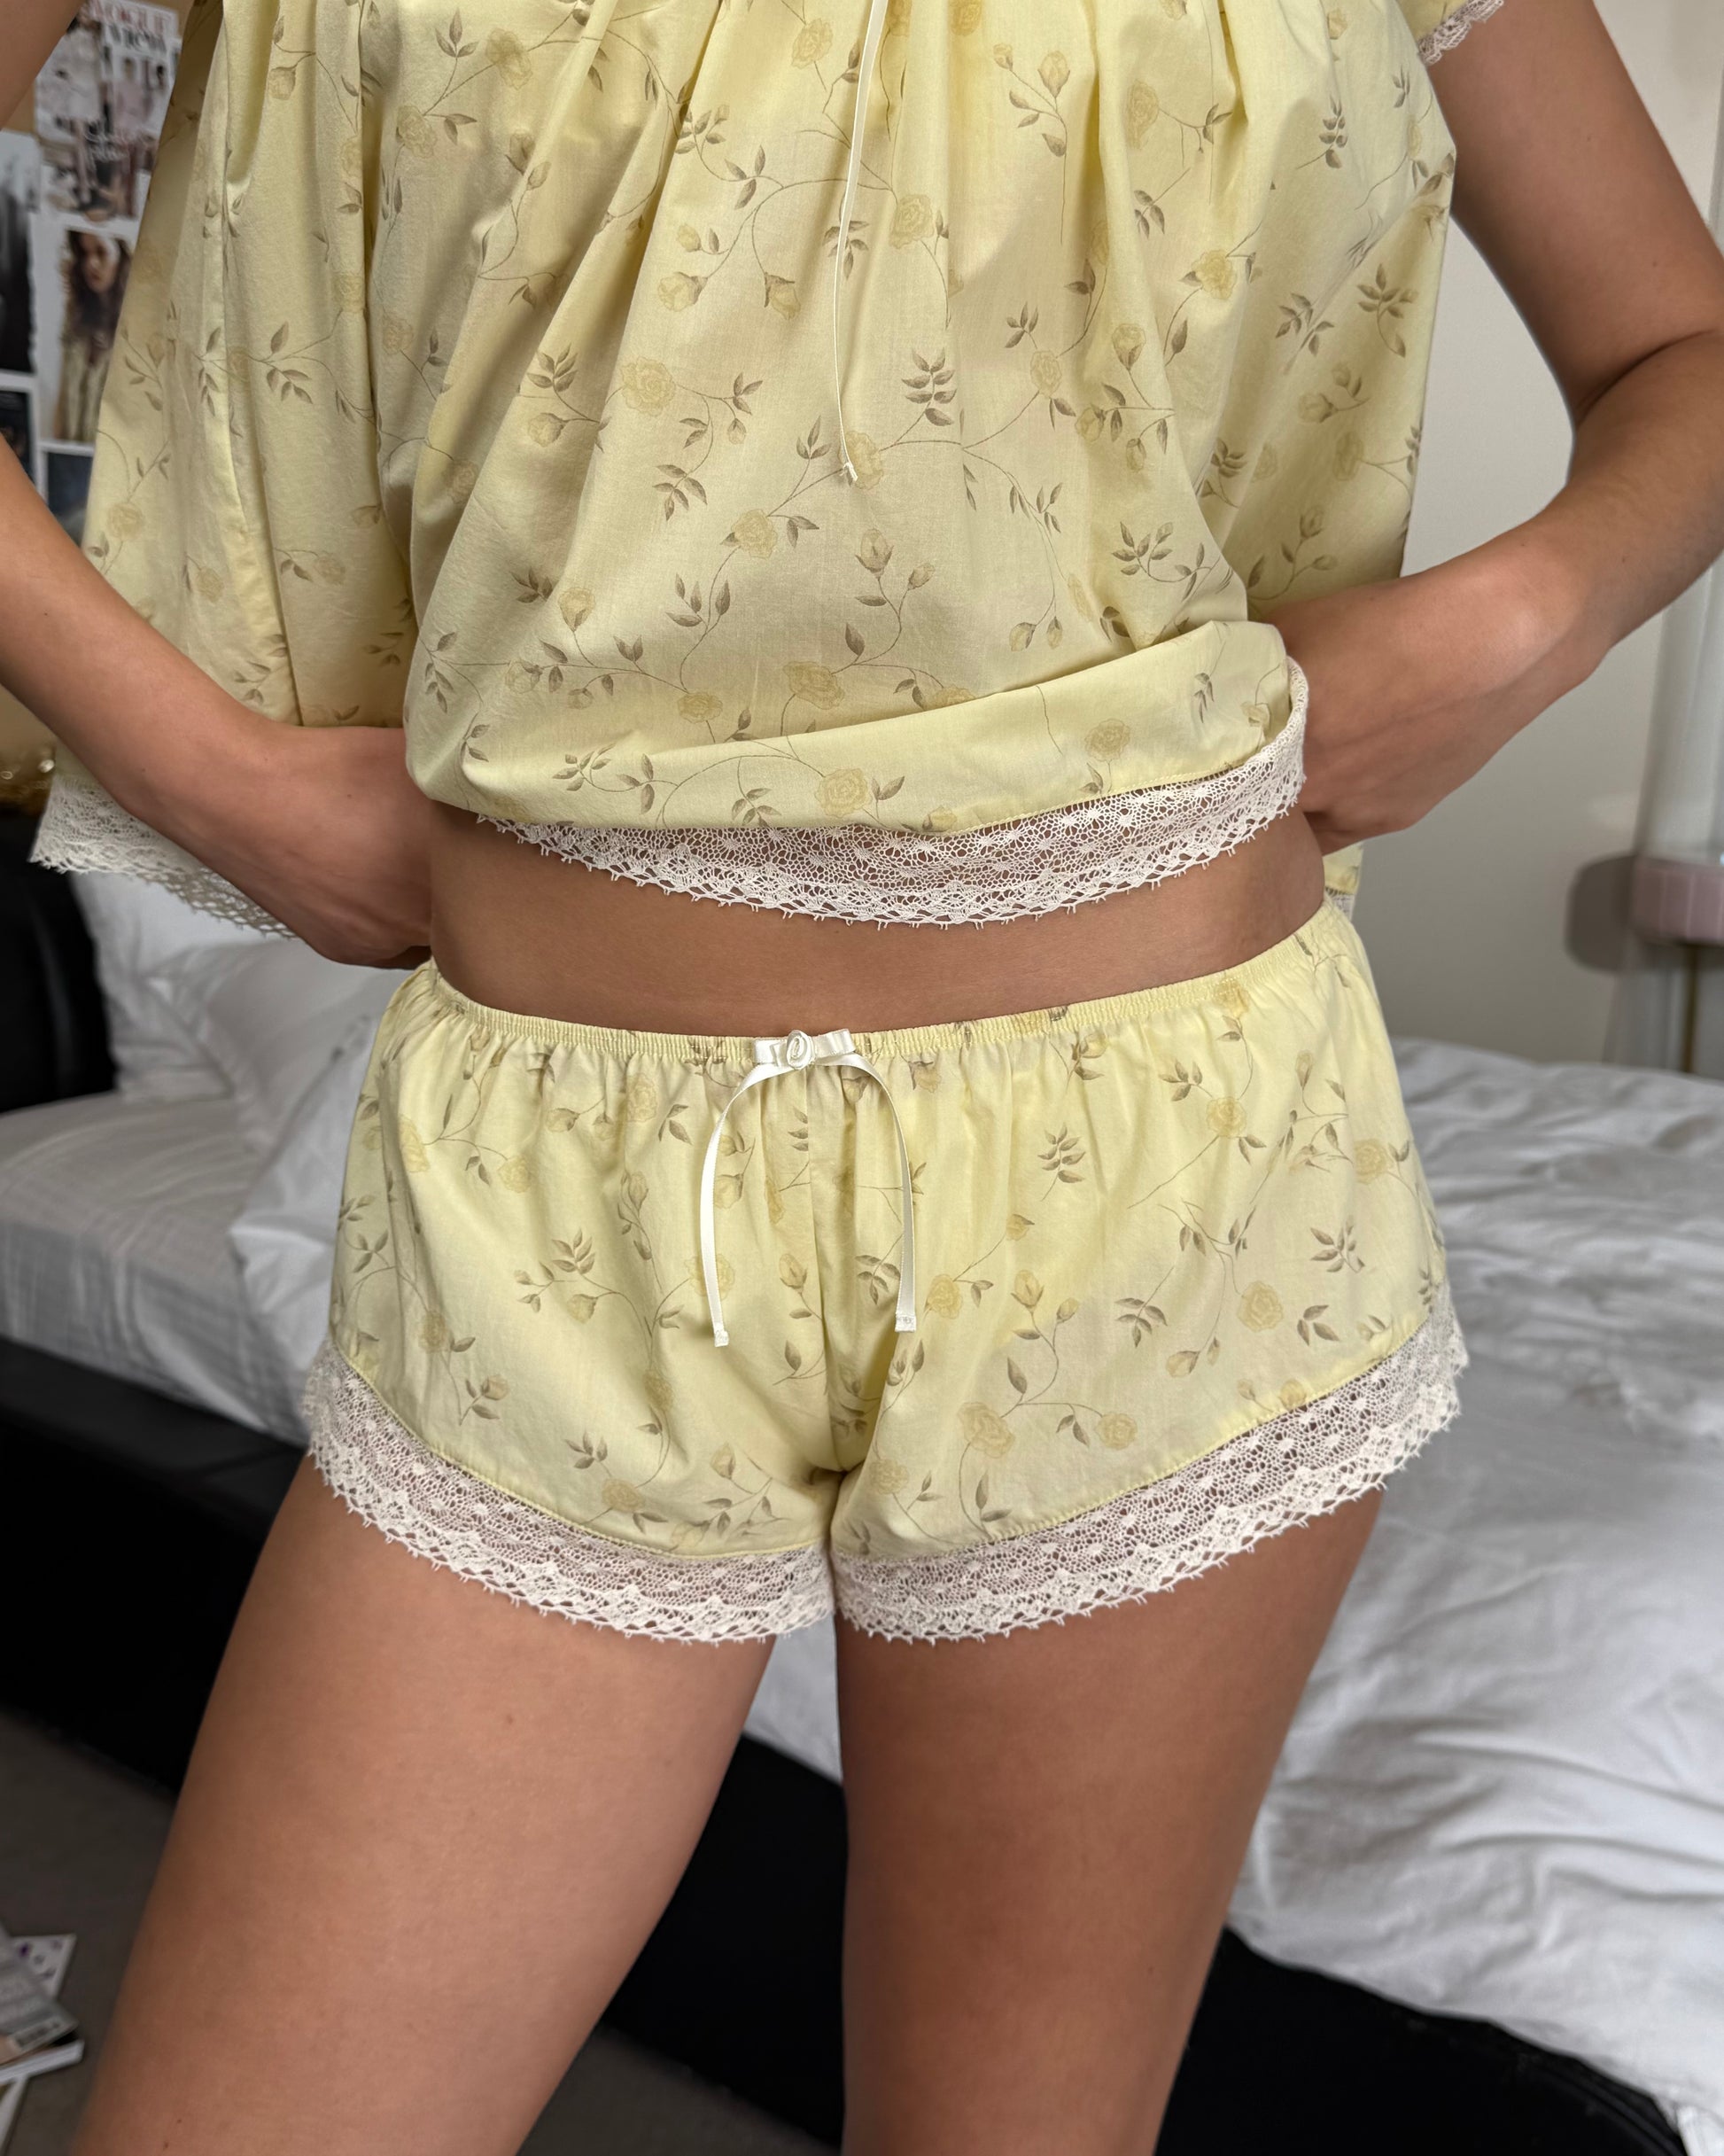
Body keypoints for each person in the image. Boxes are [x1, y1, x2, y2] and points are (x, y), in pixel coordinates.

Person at [5, 0, 1724, 2148]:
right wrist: (207, 770)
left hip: (1168, 1174)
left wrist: (1520, 617)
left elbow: (1684, 349)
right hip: (558, 1190)